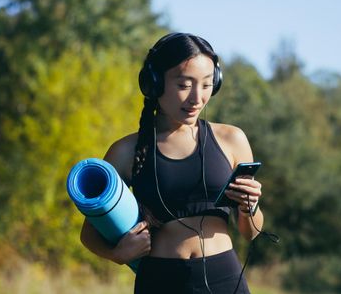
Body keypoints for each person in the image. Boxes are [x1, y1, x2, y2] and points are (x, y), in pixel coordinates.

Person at [80, 32, 264, 293]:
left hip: (225, 278)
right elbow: (89, 233)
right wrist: (116, 254)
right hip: (158, 281)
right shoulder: (125, 151)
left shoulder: (232, 139)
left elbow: (251, 232)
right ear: (154, 83)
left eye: (207, 84)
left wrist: (249, 208)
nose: (197, 98)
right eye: (184, 85)